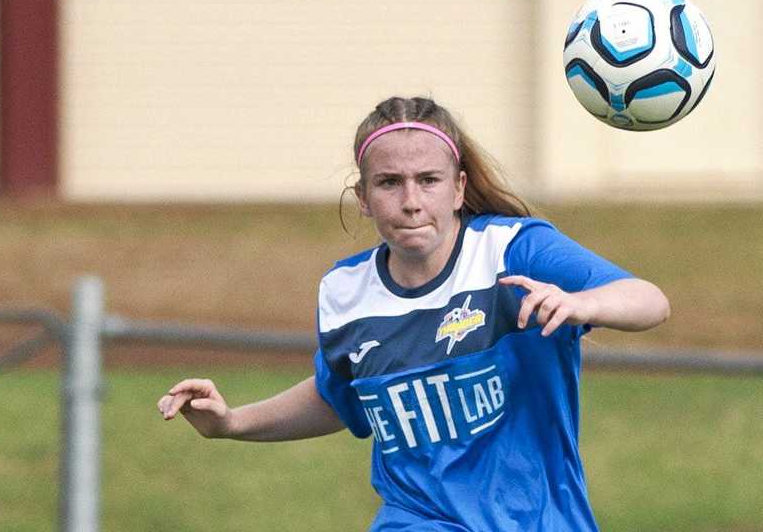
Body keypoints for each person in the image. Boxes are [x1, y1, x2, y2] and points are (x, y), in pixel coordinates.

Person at [158, 96, 669, 531]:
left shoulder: (513, 251)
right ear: (362, 197)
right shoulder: (345, 291)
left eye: (428, 180)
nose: (410, 201)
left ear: (459, 188)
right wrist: (230, 422)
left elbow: (649, 301)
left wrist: (584, 302)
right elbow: (340, 397)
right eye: (388, 183)